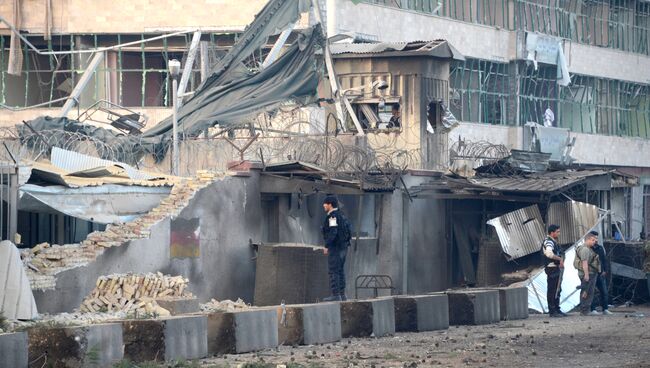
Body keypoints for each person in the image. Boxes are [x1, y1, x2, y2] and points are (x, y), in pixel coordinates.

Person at [321, 195, 351, 301]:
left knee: (333, 270)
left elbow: (333, 232)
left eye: (325, 203)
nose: (323, 205)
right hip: (344, 247)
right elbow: (348, 230)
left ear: (330, 204)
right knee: (340, 270)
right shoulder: (342, 215)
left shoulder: (332, 216)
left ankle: (335, 295)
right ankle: (342, 294)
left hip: (336, 247)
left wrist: (327, 246)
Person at [541, 224, 566, 317]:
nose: (559, 233)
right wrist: (559, 259)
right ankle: (552, 311)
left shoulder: (553, 241)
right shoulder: (549, 242)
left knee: (557, 289)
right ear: (552, 232)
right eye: (557, 232)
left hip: (555, 268)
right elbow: (549, 254)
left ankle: (556, 309)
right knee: (552, 290)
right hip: (551, 268)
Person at [574, 231, 600, 316]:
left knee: (588, 291)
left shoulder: (587, 249)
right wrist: (587, 274)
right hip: (588, 273)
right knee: (586, 292)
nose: (594, 242)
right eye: (592, 240)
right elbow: (584, 263)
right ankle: (584, 310)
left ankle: (585, 310)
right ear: (587, 239)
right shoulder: (585, 249)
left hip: (590, 273)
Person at [590, 235, 612, 315]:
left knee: (604, 291)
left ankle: (605, 309)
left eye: (596, 238)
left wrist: (605, 270)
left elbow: (604, 259)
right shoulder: (588, 249)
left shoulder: (600, 248)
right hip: (592, 273)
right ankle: (593, 309)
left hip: (600, 273)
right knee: (592, 292)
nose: (595, 240)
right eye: (594, 238)